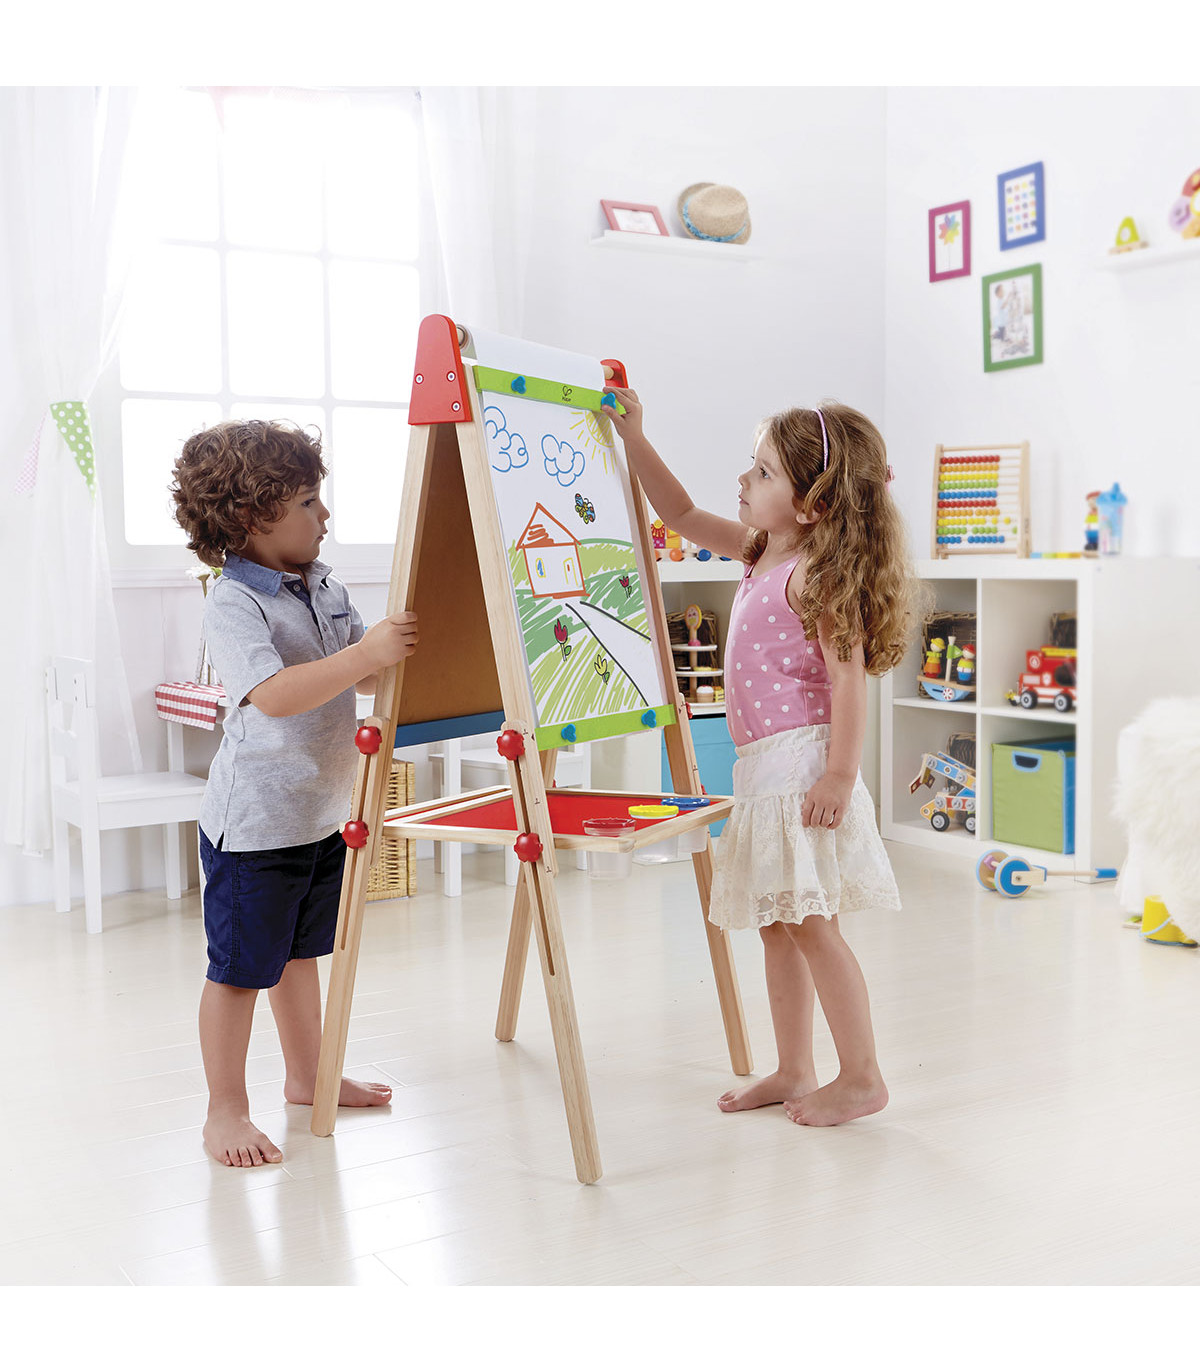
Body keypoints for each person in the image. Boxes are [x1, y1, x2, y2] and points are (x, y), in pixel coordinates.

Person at [605, 391, 918, 1126]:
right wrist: (634, 437)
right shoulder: (758, 550)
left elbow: (848, 681)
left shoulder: (815, 575)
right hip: (764, 771)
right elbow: (680, 513)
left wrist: (840, 775)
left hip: (802, 772)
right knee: (780, 925)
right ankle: (794, 1068)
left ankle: (863, 1076)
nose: (744, 480)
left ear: (811, 505)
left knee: (813, 928)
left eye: (764, 471)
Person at [170, 420, 419, 1166]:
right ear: (252, 516)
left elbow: (363, 675)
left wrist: (388, 655)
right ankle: (224, 1111)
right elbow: (276, 695)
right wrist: (365, 655)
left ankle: (309, 1078)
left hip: (318, 816)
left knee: (299, 955)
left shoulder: (325, 586)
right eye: (308, 502)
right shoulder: (234, 602)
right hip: (255, 826)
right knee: (240, 973)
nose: (324, 514)